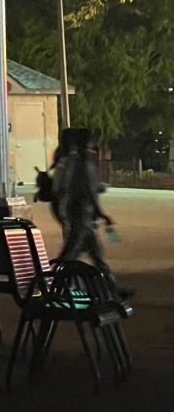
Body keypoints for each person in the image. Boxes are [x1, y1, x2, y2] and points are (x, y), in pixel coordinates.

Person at [53, 126, 126, 294]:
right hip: (81, 215)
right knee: (72, 254)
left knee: (92, 254)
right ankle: (56, 286)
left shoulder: (74, 162)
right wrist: (100, 213)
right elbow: (86, 191)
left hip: (81, 215)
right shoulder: (81, 163)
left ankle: (111, 288)